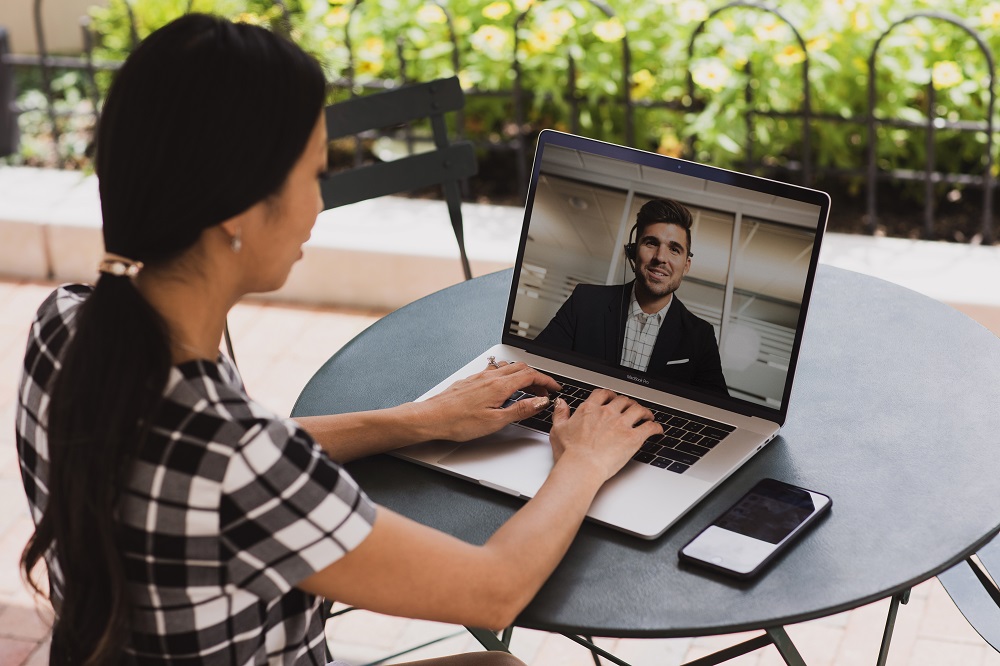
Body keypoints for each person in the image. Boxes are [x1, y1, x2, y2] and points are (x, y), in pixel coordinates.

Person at [14, 14, 663, 666]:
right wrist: (584, 459)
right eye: (314, 175)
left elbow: (217, 462)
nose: (319, 206)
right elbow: (494, 590)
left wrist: (418, 420)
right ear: (237, 214)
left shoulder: (65, 329)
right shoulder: (237, 457)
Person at [534, 198, 728, 396]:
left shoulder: (700, 336)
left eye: (674, 249)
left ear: (686, 265)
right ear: (633, 252)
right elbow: (536, 368)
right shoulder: (585, 301)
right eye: (651, 243)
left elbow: (719, 409)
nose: (661, 257)